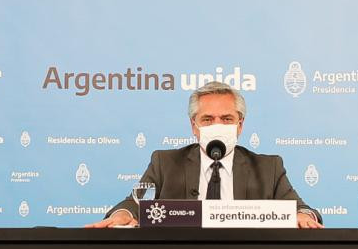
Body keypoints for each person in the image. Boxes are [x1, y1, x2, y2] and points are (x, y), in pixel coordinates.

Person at [86, 81, 322, 229]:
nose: (217, 125)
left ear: (240, 125)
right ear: (194, 126)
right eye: (208, 119)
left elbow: (301, 210)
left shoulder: (268, 167)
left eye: (227, 119)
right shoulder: (165, 163)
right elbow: (133, 203)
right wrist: (122, 215)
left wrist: (303, 216)